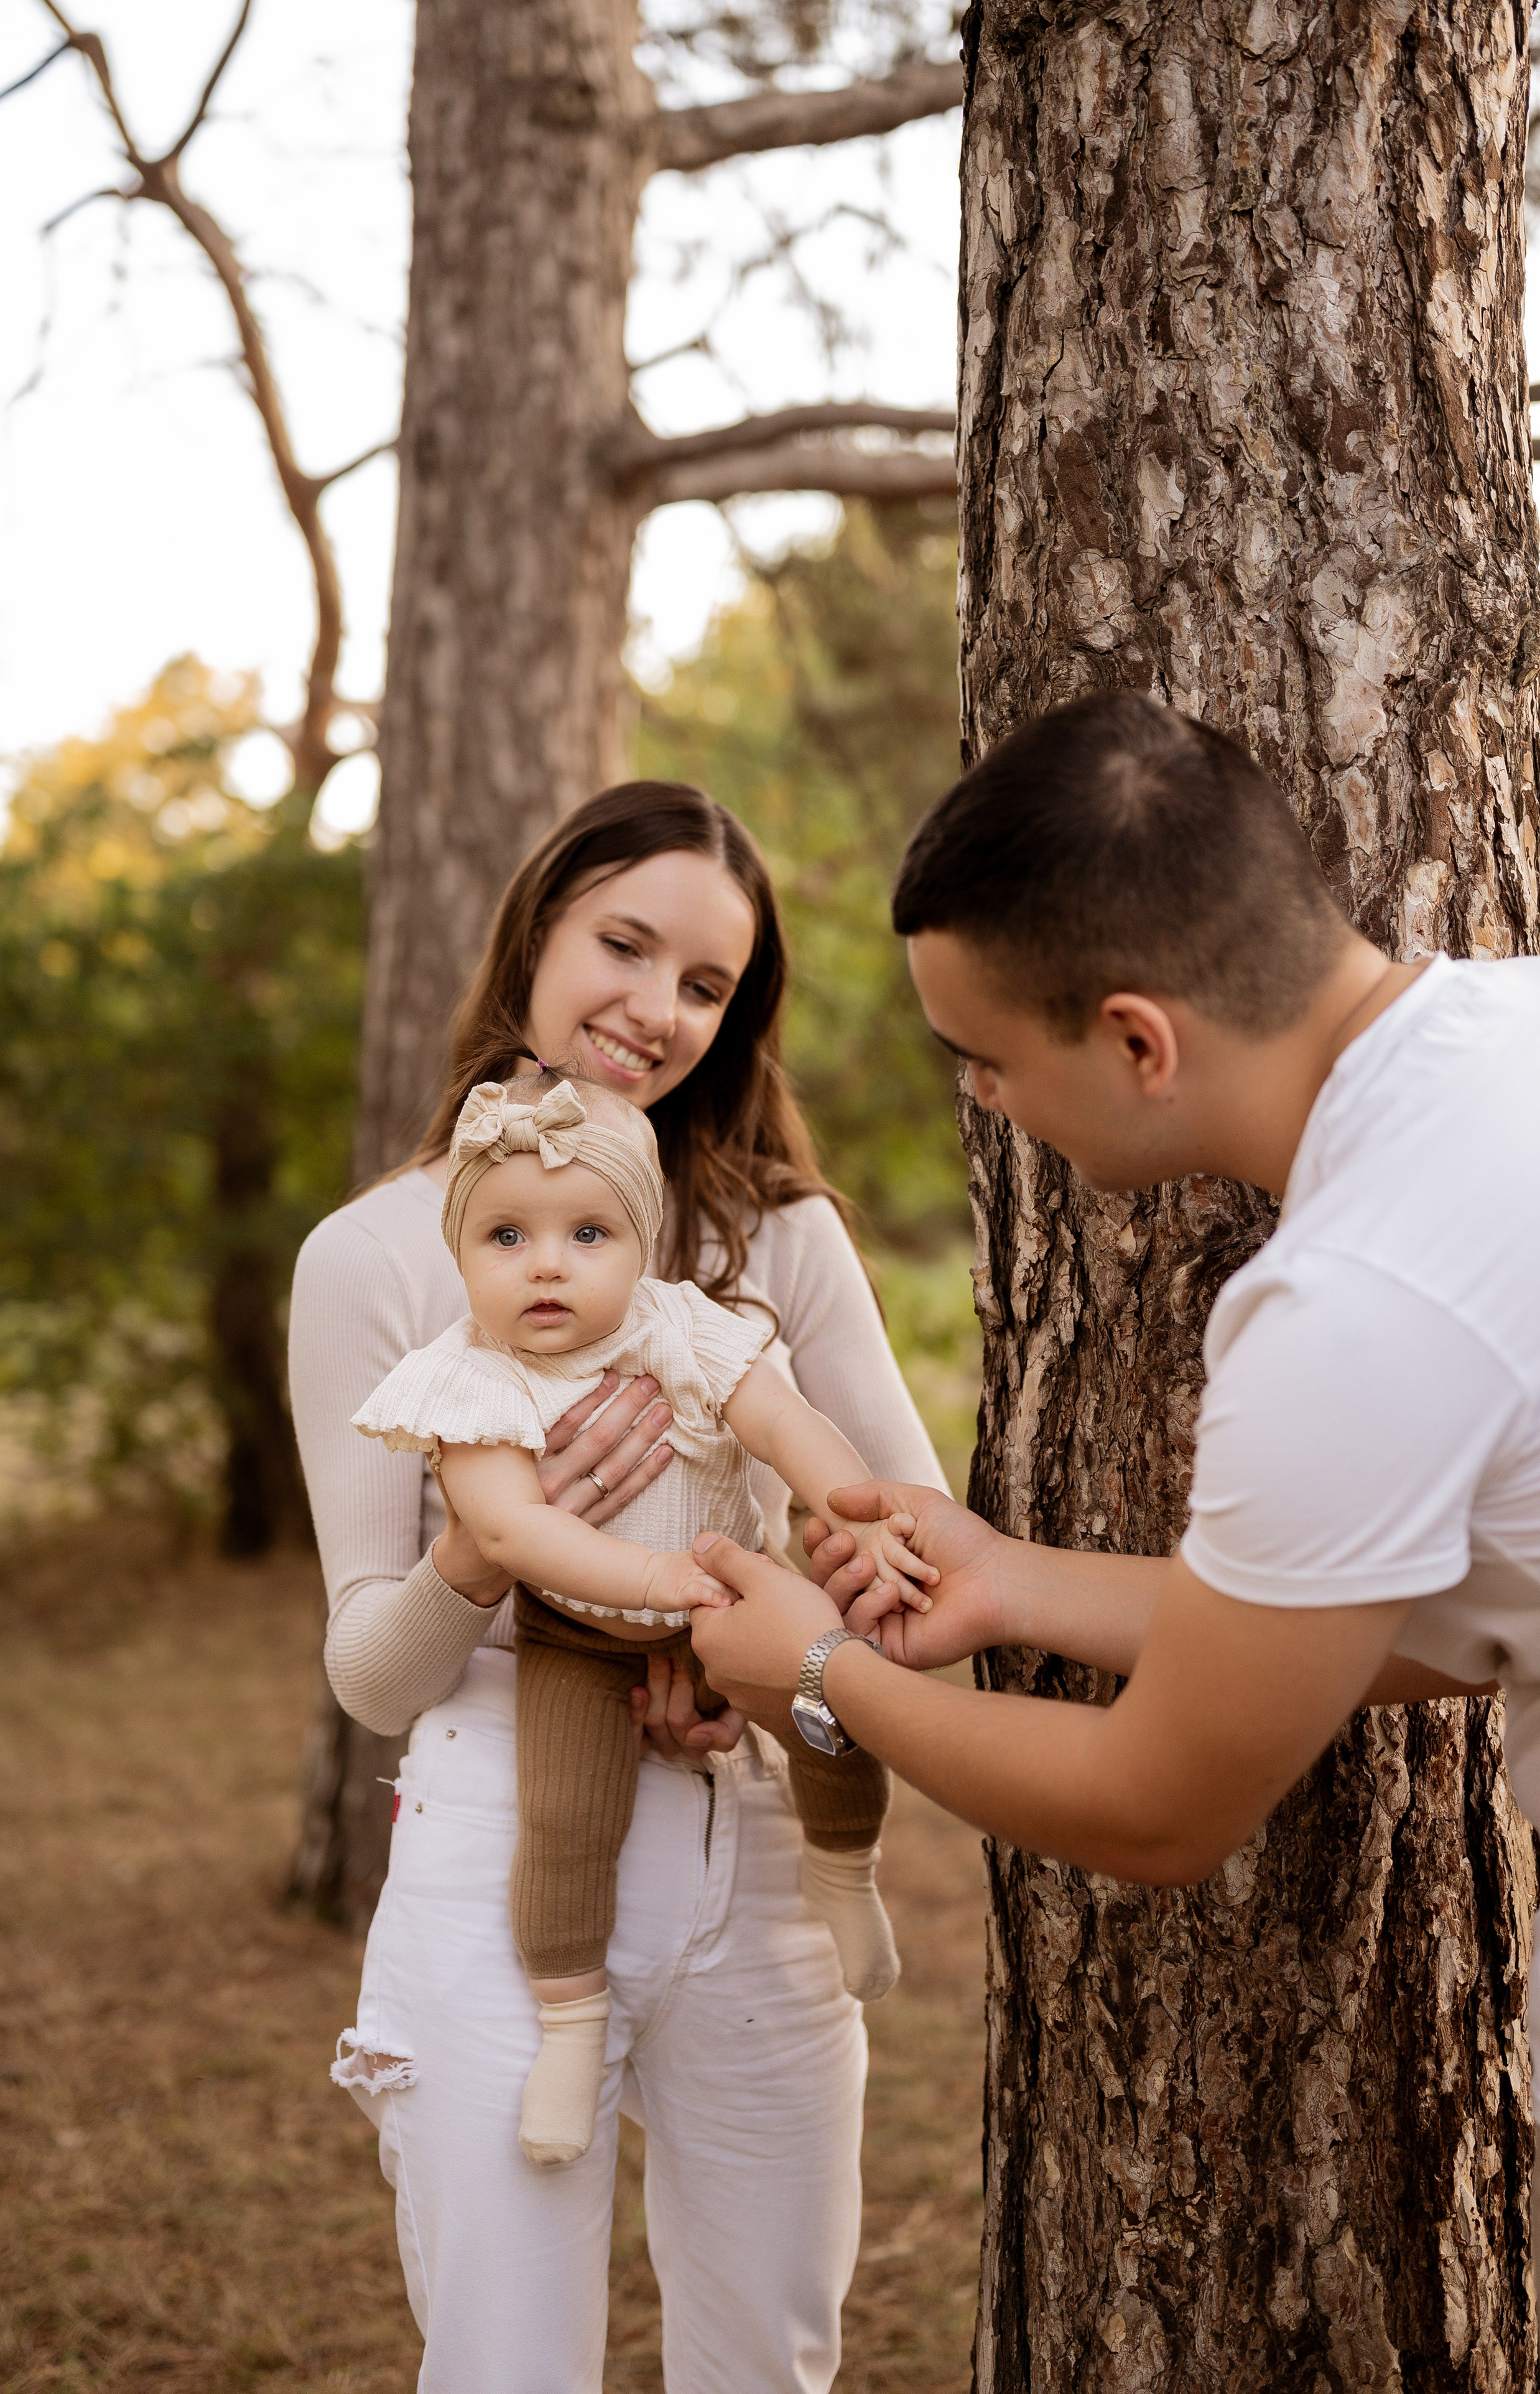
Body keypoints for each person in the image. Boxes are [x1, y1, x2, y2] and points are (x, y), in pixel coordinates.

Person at [687, 692, 1540, 2393]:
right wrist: (1007, 1580)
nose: (981, 1098)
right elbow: (1431, 1619)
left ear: (1134, 1041)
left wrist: (813, 1672)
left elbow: (1161, 1805)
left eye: (984, 1058)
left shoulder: (1348, 1302)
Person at [287, 781, 948, 2393]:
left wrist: (756, 1655)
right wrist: (486, 1552)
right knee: (508, 2364)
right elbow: (372, 1679)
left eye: (707, 984)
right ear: (536, 935)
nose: (657, 1009)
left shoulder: (779, 1239)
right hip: (502, 1849)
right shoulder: (371, 1259)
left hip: (759, 1857)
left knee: (767, 2354)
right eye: (625, 946)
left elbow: (908, 1538)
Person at [355, 1068, 932, 2165]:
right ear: (459, 1254)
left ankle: (844, 1867)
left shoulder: (684, 1327)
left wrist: (850, 1511)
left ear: (643, 1244)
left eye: (588, 1234)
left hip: (736, 1591)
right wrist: (655, 1579)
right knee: (566, 1822)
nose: (548, 1264)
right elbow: (512, 1531)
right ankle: (572, 2023)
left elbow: (783, 1422)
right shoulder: (470, 1379)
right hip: (579, 1635)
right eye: (507, 1237)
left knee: (832, 1709)